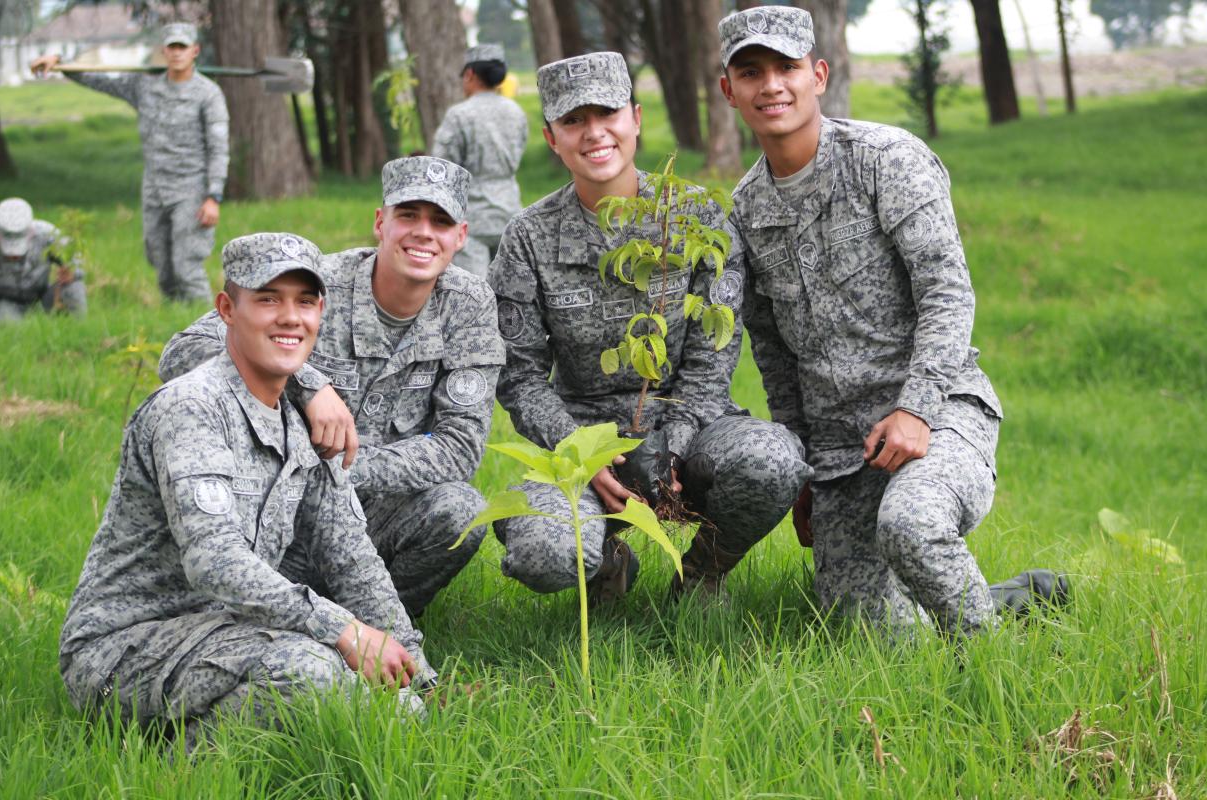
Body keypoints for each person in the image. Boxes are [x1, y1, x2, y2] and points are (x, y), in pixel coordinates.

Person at [717, 6, 1065, 637]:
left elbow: (948, 292)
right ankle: (1015, 599)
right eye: (751, 72)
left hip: (939, 413)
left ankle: (994, 675)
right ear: (729, 90)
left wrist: (916, 408)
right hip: (842, 454)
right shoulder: (745, 210)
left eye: (787, 67)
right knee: (875, 635)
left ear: (818, 75)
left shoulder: (886, 160)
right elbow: (772, 353)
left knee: (912, 526)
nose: (771, 85)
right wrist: (802, 472)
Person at [59, 232, 433, 741]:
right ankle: (172, 769)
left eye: (305, 301)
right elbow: (214, 562)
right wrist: (344, 631)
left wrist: (419, 674)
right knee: (314, 675)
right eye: (267, 299)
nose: (290, 317)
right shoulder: (192, 407)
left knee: (405, 712)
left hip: (233, 630)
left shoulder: (302, 421)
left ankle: (216, 738)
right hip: (126, 648)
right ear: (226, 309)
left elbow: (351, 558)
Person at [488, 51, 810, 603]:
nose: (594, 134)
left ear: (635, 118)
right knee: (543, 552)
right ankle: (606, 561)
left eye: (607, 114)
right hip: (586, 438)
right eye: (573, 121)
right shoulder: (528, 238)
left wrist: (675, 446)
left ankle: (703, 575)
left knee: (772, 461)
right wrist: (578, 452)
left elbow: (714, 351)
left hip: (692, 425)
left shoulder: (696, 219)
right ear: (551, 138)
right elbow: (517, 375)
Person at [158, 157, 501, 619]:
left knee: (460, 511)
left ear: (460, 237)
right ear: (381, 223)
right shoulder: (319, 283)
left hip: (376, 517)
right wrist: (308, 385)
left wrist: (339, 474)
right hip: (278, 513)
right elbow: (182, 352)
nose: (423, 232)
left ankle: (374, 627)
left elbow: (459, 448)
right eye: (408, 216)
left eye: (440, 221)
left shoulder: (468, 306)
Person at [30, 22, 229, 302]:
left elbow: (219, 147)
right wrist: (60, 63)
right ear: (164, 50)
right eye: (172, 47)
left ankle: (211, 333)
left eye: (182, 47)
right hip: (155, 189)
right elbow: (99, 79)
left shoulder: (208, 95)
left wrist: (214, 195)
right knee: (161, 266)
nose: (177, 53)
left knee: (187, 268)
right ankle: (179, 328)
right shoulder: (145, 87)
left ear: (194, 50)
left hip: (192, 191)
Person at [431, 42, 529, 277]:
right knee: (508, 296)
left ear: (470, 74)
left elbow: (441, 166)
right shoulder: (516, 112)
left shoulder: (459, 115)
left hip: (471, 218)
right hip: (510, 213)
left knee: (472, 295)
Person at [0, 198, 86, 322]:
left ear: (31, 231)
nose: (14, 255)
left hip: (44, 297)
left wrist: (72, 272)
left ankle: (77, 330)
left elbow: (76, 261)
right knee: (6, 319)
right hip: (4, 306)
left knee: (74, 287)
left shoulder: (47, 236)